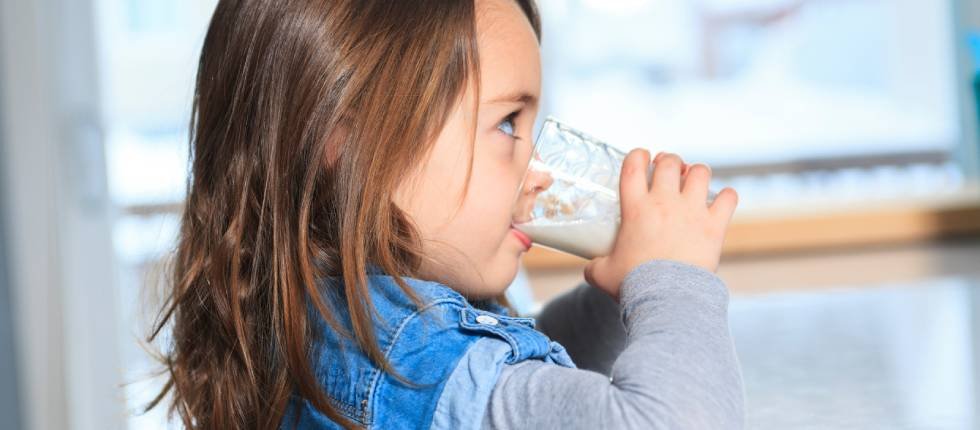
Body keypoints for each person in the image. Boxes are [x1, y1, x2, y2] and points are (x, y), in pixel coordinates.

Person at [145, 0, 744, 428]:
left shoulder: (326, 325)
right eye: (508, 124)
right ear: (345, 141)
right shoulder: (414, 365)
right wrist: (671, 281)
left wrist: (613, 302)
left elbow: (519, 387)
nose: (538, 170)